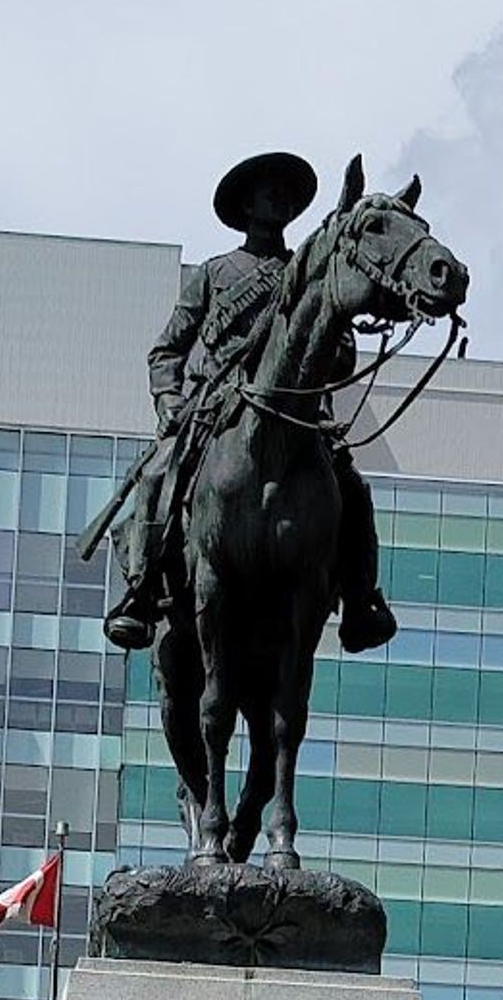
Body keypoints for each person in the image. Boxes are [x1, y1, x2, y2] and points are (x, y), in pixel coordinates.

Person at [103, 149, 397, 659]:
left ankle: (360, 601)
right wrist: (170, 399)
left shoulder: (304, 273)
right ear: (247, 205)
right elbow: (166, 349)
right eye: (269, 190)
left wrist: (335, 342)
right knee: (154, 478)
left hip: (298, 418)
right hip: (214, 411)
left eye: (286, 192)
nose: (280, 198)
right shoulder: (215, 274)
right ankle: (142, 589)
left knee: (352, 488)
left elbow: (340, 358)